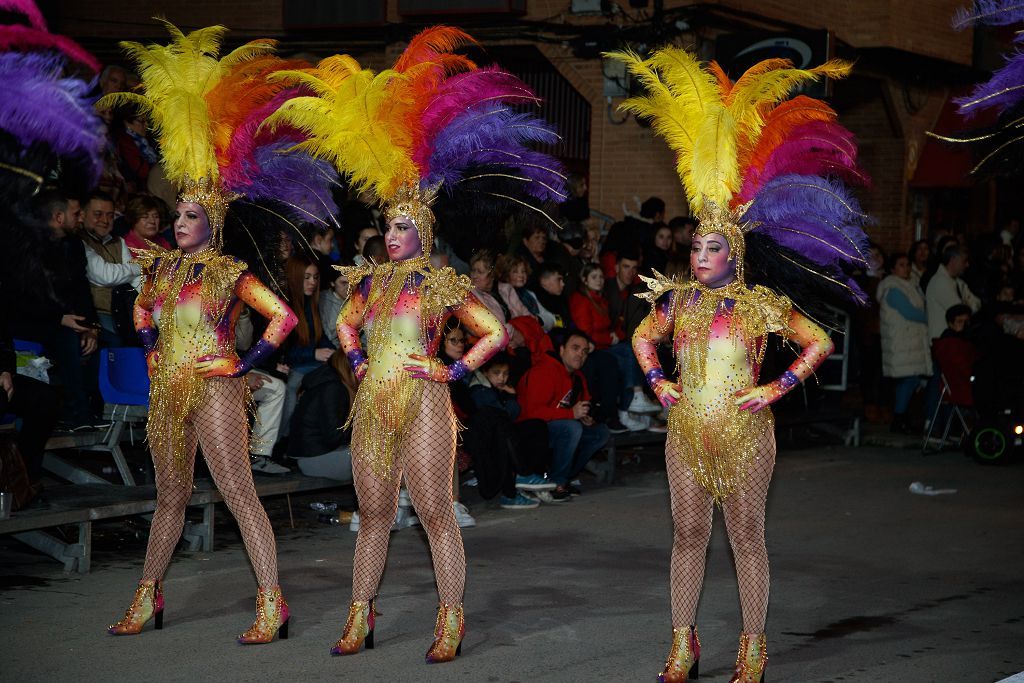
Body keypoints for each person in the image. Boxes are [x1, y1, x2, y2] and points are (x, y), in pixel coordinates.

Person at [268, 26, 565, 662]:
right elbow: (346, 325)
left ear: (423, 230)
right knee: (372, 512)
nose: (393, 232)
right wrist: (353, 361)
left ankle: (451, 615)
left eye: (405, 225)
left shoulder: (439, 281)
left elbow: (495, 331)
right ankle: (359, 615)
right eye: (389, 224)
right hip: (373, 401)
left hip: (426, 401)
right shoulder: (369, 281)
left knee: (434, 509)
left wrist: (452, 374)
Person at [611, 47, 869, 682]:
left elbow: (820, 343)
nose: (701, 254)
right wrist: (659, 383)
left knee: (746, 535)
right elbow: (642, 337)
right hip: (686, 430)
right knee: (688, 536)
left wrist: (776, 387)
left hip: (748, 431)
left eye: (713, 245)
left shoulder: (761, 304)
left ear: (736, 252)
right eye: (696, 245)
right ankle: (682, 643)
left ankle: (753, 645)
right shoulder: (676, 303)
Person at [102, 23, 336, 644]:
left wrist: (242, 363)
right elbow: (142, 313)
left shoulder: (230, 273)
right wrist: (151, 354)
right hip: (168, 390)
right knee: (169, 499)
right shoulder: (161, 269)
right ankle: (147, 598)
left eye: (190, 214)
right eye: (177, 213)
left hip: (214, 388)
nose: (179, 221)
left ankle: (272, 603)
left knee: (237, 491)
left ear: (214, 223)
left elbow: (284, 318)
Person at [517, 330, 610, 500]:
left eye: (584, 352)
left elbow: (585, 404)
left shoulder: (578, 377)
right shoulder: (544, 371)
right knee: (571, 427)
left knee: (600, 433)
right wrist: (571, 414)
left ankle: (561, 476)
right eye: (575, 348)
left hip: (559, 426)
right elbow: (532, 413)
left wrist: (586, 417)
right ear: (561, 350)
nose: (580, 355)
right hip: (531, 433)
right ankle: (557, 483)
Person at [877, 253, 931, 433]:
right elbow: (910, 313)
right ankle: (899, 418)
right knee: (909, 380)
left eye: (908, 264)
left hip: (910, 343)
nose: (906, 268)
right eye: (901, 265)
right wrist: (933, 319)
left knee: (911, 380)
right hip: (902, 343)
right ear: (893, 269)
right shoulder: (893, 288)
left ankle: (902, 418)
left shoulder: (910, 285)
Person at [926, 245, 981, 341]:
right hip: (943, 341)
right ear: (953, 260)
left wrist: (967, 305)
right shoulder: (940, 282)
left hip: (955, 339)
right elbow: (960, 312)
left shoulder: (958, 282)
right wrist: (966, 304)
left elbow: (977, 303)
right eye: (964, 261)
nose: (967, 265)